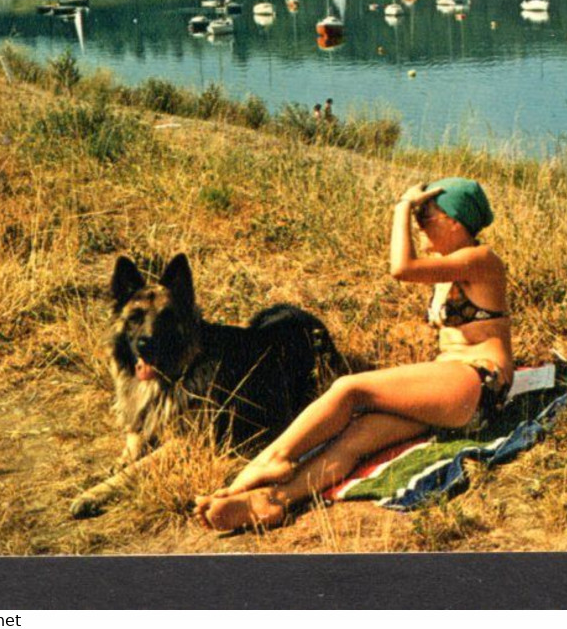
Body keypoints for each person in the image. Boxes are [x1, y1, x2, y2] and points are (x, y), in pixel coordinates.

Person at [195, 177, 512, 532]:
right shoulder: (446, 262)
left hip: (479, 382)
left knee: (350, 389)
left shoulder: (481, 259)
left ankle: (272, 459)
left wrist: (402, 207)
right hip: (451, 391)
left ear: (455, 222)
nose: (418, 225)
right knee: (355, 438)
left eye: (425, 217)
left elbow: (400, 268)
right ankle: (276, 500)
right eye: (416, 216)